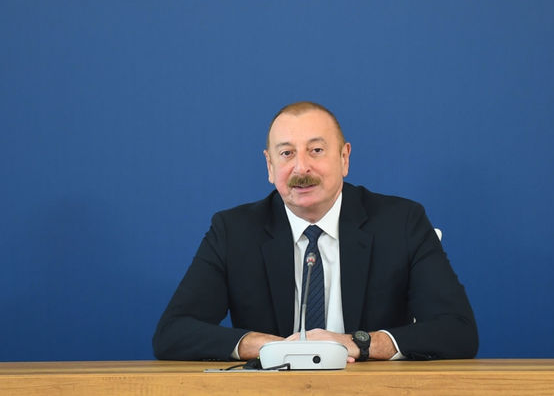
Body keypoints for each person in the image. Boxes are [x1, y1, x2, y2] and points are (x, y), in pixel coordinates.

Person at [153, 101, 478, 362]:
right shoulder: (234, 231)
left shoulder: (401, 222)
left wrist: (360, 344)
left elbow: (458, 330)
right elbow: (172, 333)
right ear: (270, 166)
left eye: (316, 150)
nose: (301, 168)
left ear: (344, 157)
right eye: (286, 153)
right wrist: (265, 346)